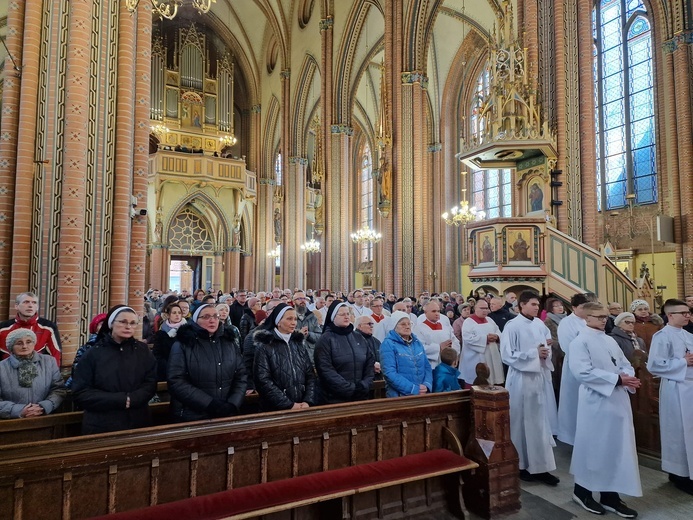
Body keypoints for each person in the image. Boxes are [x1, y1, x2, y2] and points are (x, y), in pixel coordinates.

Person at [568, 302, 641, 517]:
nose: (604, 320)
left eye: (605, 316)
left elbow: (624, 363)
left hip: (618, 401)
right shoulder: (579, 342)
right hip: (596, 402)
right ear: (587, 318)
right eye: (599, 316)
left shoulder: (609, 340)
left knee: (615, 449)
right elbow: (582, 372)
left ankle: (610, 496)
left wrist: (627, 376)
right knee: (594, 448)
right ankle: (582, 492)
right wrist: (617, 379)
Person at [501, 291, 559, 486]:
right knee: (521, 423)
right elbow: (507, 355)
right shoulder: (512, 326)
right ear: (522, 304)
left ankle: (541, 467)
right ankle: (521, 465)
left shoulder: (539, 324)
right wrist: (534, 354)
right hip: (521, 379)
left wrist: (545, 353)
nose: (537, 308)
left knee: (540, 424)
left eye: (538, 305)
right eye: (533, 304)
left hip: (538, 378)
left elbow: (545, 349)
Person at [72, 305, 157, 434]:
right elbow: (82, 392)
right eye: (123, 322)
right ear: (111, 324)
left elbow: (150, 383)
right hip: (102, 424)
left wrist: (133, 399)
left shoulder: (143, 351)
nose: (128, 326)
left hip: (138, 420)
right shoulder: (93, 353)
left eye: (133, 323)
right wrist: (121, 400)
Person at [167, 303, 247, 422]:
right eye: (206, 317)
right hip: (192, 414)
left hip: (227, 412)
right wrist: (210, 404)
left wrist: (233, 404)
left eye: (215, 316)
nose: (212, 320)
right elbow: (176, 381)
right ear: (195, 320)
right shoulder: (183, 344)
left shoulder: (229, 343)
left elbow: (241, 375)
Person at [647, 299, 693, 495]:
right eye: (683, 312)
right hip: (675, 389)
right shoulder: (662, 336)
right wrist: (682, 362)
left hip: (690, 388)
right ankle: (679, 475)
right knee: (677, 432)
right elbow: (654, 365)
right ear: (670, 315)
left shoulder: (688, 335)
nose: (687, 315)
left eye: (688, 312)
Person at [252, 303, 316, 411]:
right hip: (276, 408)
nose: (293, 323)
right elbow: (263, 381)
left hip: (302, 405)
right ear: (278, 322)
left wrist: (307, 401)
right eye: (289, 319)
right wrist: (289, 405)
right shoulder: (265, 345)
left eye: (295, 319)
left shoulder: (298, 343)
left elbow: (310, 375)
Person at [314, 301, 375, 404]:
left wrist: (364, 385)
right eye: (342, 314)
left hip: (361, 396)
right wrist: (350, 389)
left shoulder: (358, 337)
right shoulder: (325, 339)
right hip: (335, 398)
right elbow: (325, 370)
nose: (346, 317)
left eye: (348, 314)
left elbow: (369, 362)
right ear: (333, 317)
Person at [0, 329, 66, 419]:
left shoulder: (49, 362)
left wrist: (44, 406)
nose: (24, 346)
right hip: (11, 422)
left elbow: (58, 389)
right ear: (11, 347)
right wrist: (18, 410)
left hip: (44, 418)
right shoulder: (2, 367)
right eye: (19, 343)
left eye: (29, 342)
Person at [557, 292, 594, 445]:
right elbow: (567, 346)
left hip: (592, 365)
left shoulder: (589, 321)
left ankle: (588, 435)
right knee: (574, 401)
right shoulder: (567, 323)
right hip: (575, 364)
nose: (585, 310)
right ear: (573, 307)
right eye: (582, 307)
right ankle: (571, 436)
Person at [0, 292, 62, 366]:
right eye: (26, 302)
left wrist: (54, 375)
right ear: (16, 306)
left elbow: (56, 354)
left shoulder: (48, 327)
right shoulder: (3, 328)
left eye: (34, 303)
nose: (30, 305)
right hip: (8, 371)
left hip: (39, 372)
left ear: (37, 307)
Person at [380, 311, 432, 397]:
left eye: (409, 323)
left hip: (422, 393)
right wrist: (413, 389)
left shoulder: (417, 342)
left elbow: (426, 365)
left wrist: (426, 384)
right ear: (394, 327)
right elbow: (389, 373)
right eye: (403, 324)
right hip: (400, 396)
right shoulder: (388, 344)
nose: (407, 327)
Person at [461, 299, 504, 387]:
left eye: (486, 308)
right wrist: (485, 339)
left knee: (493, 381)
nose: (485, 310)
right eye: (482, 308)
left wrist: (497, 337)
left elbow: (499, 332)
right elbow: (468, 339)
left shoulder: (490, 320)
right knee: (477, 383)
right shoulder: (468, 322)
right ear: (475, 308)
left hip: (492, 355)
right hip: (476, 358)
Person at [414, 301, 460, 370]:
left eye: (438, 311)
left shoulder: (445, 327)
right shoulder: (418, 329)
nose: (437, 314)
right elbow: (418, 348)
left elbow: (455, 341)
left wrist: (451, 350)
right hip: (430, 366)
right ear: (425, 313)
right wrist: (439, 347)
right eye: (433, 311)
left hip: (447, 365)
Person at [66, 313, 108, 389]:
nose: (104, 328)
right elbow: (77, 370)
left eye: (107, 325)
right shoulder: (86, 348)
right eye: (102, 324)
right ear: (96, 329)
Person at [152, 302, 186, 381]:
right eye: (174, 313)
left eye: (179, 313)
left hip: (183, 369)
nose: (177, 315)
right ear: (168, 315)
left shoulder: (187, 331)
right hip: (166, 369)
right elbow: (157, 354)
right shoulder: (161, 332)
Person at [543, 298, 566, 402]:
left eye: (560, 305)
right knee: (557, 382)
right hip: (557, 356)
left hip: (567, 353)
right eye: (556, 306)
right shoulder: (548, 322)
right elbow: (550, 340)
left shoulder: (567, 320)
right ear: (551, 309)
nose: (560, 307)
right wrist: (557, 343)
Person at [293, 291, 322, 361]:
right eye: (299, 299)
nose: (302, 301)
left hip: (310, 356)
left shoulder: (312, 316)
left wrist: (308, 334)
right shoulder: (289, 316)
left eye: (304, 298)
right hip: (294, 356)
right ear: (293, 301)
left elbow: (319, 336)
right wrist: (298, 333)